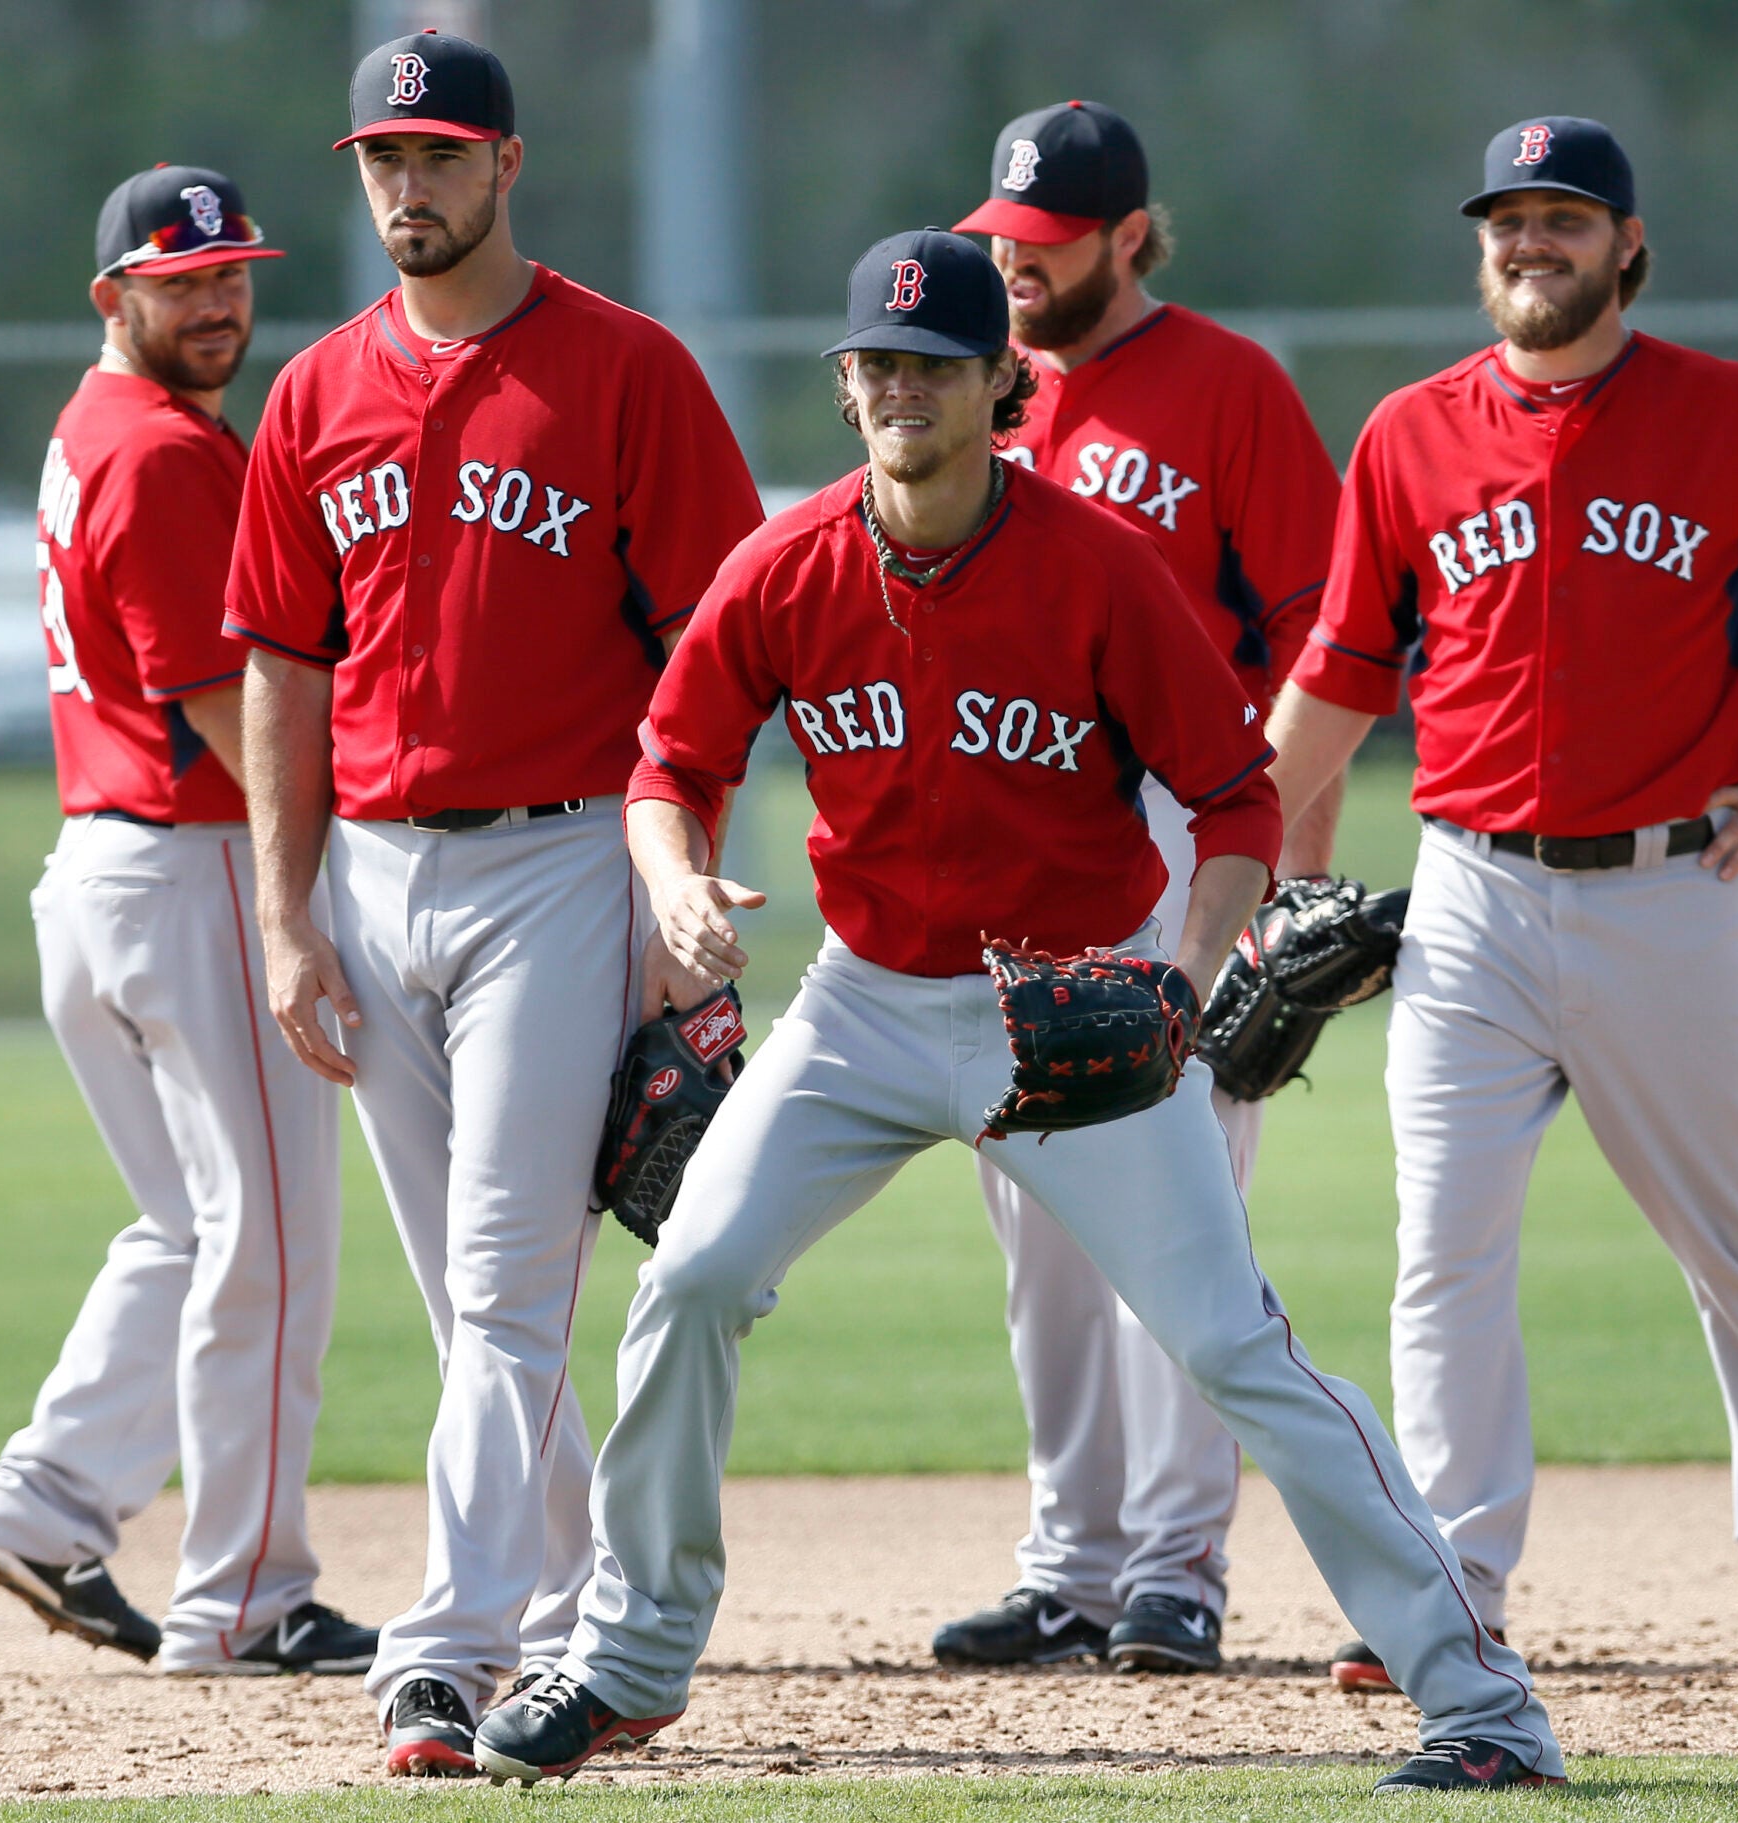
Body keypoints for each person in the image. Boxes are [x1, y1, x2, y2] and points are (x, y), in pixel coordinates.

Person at [467, 229, 1566, 1797]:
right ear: (847, 387)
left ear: (1004, 390)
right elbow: (672, 766)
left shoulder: (1096, 566)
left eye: (939, 365)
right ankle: (630, 1661)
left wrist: (1178, 985)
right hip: (860, 1005)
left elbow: (1238, 801)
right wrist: (674, 882)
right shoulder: (788, 566)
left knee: (1229, 1345)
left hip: (1070, 995)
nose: (904, 387)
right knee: (694, 1276)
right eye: (880, 364)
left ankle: (1479, 1703)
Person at [1265, 116, 1738, 1692]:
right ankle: (1450, 1585)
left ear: (1629, 246)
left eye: (1566, 219)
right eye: (1508, 220)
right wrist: (1257, 872)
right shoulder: (1410, 434)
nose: (1531, 244)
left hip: (1673, 890)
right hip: (1468, 895)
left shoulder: (1733, 415)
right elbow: (1337, 683)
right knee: (1443, 1251)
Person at [223, 32, 759, 1777]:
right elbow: (285, 670)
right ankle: (593, 1615)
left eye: (439, 155)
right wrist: (289, 913)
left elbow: (718, 649)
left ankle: (439, 1656)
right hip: (373, 872)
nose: (408, 185)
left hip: (558, 856)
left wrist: (676, 875)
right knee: (470, 1306)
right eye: (383, 157)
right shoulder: (313, 394)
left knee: (510, 1284)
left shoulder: (625, 371)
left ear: (507, 167)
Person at [0, 164, 380, 1678]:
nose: (217, 300)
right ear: (113, 293)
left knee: (192, 1230)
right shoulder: (166, 458)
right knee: (269, 1245)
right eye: (181, 277)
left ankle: (44, 1501)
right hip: (192, 874)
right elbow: (226, 716)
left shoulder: (92, 431)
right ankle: (249, 1596)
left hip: (102, 873)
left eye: (233, 272)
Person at [933, 99, 1343, 1677]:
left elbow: (1325, 635)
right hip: (1020, 841)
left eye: (1045, 250)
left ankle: (1177, 1570)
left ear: (1128, 236)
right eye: (1002, 246)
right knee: (1034, 1220)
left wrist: (1283, 870)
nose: (1016, 272)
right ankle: (1072, 1568)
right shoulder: (990, 389)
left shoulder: (1228, 388)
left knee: (1178, 1216)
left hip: (1182, 836)